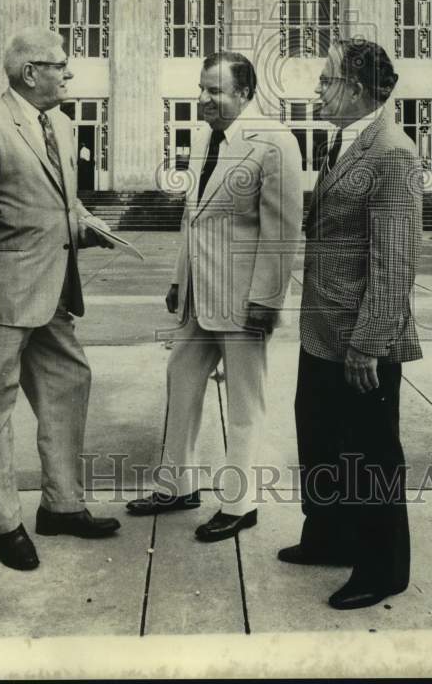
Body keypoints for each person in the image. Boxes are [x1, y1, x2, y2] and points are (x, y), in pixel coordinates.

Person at [0, 26, 119, 571]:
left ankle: (62, 506)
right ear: (29, 73)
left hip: (53, 293)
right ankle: (6, 525)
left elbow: (58, 200)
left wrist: (85, 221)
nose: (69, 73)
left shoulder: (61, 126)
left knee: (71, 383)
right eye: (60, 64)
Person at [127, 52, 303, 542]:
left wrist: (268, 300)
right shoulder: (205, 138)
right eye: (201, 89)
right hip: (197, 297)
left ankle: (240, 502)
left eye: (215, 92)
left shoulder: (275, 142)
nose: (203, 99)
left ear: (245, 94)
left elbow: (282, 230)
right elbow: (194, 216)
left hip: (243, 300)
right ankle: (176, 486)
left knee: (246, 403)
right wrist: (178, 279)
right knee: (180, 382)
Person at [280, 38, 423, 610]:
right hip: (322, 329)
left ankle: (382, 568)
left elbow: (395, 260)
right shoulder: (344, 143)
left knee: (369, 453)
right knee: (318, 441)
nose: (317, 88)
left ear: (357, 89)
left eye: (326, 80)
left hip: (361, 338)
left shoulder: (392, 152)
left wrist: (369, 344)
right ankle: (331, 537)